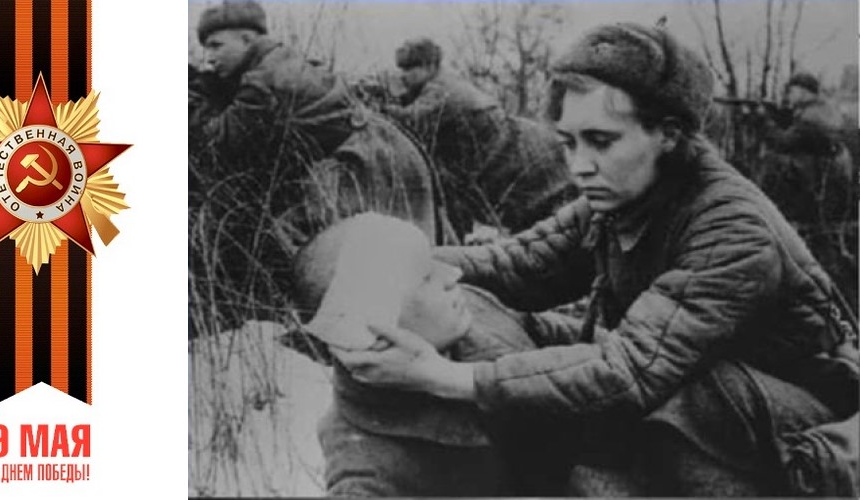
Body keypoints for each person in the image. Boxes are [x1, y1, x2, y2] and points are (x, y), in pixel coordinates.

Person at [332, 23, 859, 497]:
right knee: (515, 328)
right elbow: (523, 264)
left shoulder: (731, 226)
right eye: (568, 143)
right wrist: (404, 260)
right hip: (692, 381)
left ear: (669, 135)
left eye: (601, 142)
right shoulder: (624, 194)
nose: (580, 166)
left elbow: (631, 372)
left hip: (799, 412)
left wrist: (441, 376)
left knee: (678, 395)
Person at [188, 0, 441, 328]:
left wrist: (197, 95)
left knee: (366, 258)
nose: (209, 57)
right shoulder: (278, 59)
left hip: (365, 164)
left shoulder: (263, 81)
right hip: (383, 149)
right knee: (398, 257)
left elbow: (220, 142)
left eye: (216, 46)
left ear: (247, 39)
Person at [289, 212, 552, 497]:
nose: (453, 274)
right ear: (377, 333)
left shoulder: (461, 310)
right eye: (426, 277)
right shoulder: (367, 468)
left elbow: (565, 341)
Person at [383, 37, 574, 242]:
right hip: (516, 155)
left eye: (410, 68)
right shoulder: (439, 85)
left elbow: (411, 120)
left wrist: (379, 106)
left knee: (545, 226)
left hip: (518, 161)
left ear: (429, 65)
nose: (403, 75)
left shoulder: (441, 89)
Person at [759, 71, 858, 308]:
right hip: (826, 192)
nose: (789, 95)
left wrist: (764, 121)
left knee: (821, 258)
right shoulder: (822, 112)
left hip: (813, 195)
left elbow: (783, 142)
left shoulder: (811, 119)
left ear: (804, 92)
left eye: (792, 91)